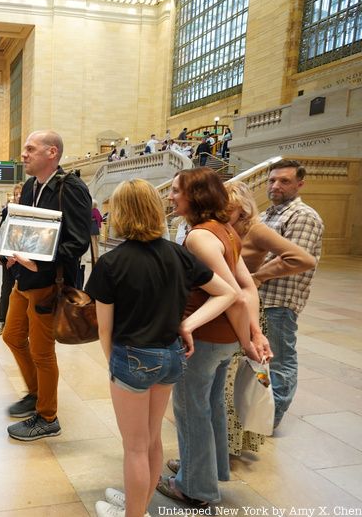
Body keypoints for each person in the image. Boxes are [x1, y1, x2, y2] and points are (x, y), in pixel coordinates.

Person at [86, 179, 236, 517]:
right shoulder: (179, 254)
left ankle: (133, 513)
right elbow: (228, 292)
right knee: (152, 441)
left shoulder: (112, 263)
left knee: (136, 448)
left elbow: (105, 329)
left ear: (121, 213)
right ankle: (138, 503)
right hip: (171, 356)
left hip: (133, 357)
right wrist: (187, 325)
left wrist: (114, 364)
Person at [157, 167, 271, 507]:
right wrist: (252, 332)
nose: (171, 196)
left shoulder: (198, 237)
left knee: (192, 410)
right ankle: (205, 468)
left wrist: (249, 337)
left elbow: (233, 293)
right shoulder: (225, 230)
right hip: (223, 340)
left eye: (177, 190)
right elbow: (247, 286)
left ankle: (195, 486)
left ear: (195, 195)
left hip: (204, 339)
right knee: (210, 406)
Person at [1, 130, 91, 441]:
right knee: (12, 336)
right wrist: (9, 255)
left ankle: (47, 416)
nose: (23, 154)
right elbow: (21, 228)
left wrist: (40, 262)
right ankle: (36, 393)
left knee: (42, 352)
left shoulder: (73, 188)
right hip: (22, 279)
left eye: (30, 149)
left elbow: (77, 242)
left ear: (51, 153)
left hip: (47, 284)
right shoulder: (29, 186)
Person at [223, 181, 316, 456]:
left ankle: (232, 443)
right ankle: (230, 442)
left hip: (246, 309)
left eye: (227, 208)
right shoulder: (223, 229)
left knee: (242, 381)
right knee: (233, 383)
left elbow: (303, 258)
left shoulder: (255, 229)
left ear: (242, 208)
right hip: (227, 307)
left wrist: (260, 275)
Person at [258, 159, 323, 428]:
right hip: (260, 299)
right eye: (272, 180)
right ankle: (258, 414)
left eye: (284, 181)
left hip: (280, 301)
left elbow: (293, 259)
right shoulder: (268, 214)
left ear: (299, 184)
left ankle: (272, 417)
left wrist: (255, 276)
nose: (276, 185)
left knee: (281, 361)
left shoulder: (302, 216)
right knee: (260, 361)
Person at [0, 183, 23, 335]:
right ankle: (2, 320)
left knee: (24, 292)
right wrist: (5, 255)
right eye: (16, 193)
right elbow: (5, 234)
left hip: (23, 260)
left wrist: (16, 257)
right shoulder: (10, 212)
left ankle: (21, 324)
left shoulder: (30, 211)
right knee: (6, 290)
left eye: (21, 193)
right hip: (8, 259)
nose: (18, 196)